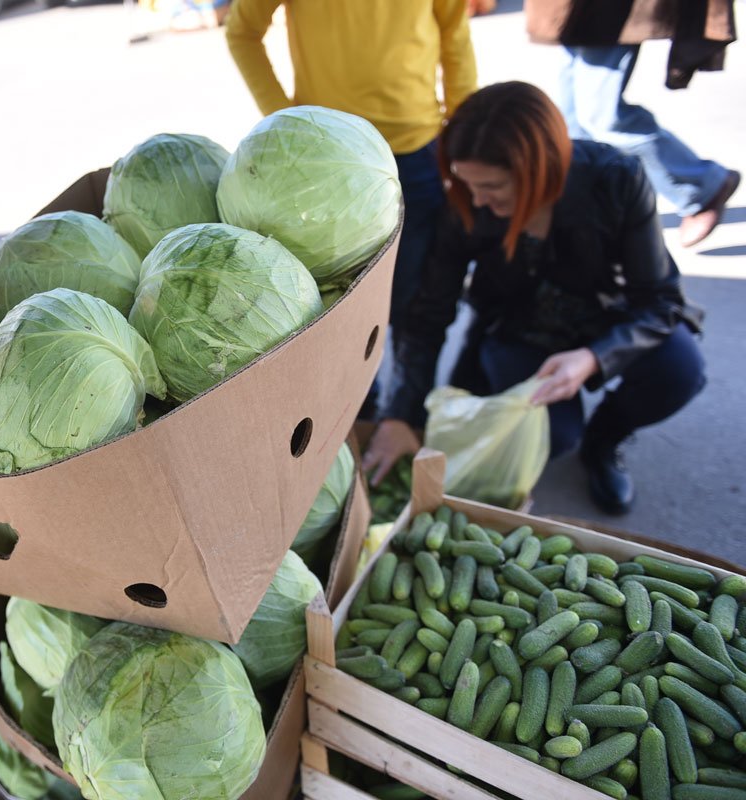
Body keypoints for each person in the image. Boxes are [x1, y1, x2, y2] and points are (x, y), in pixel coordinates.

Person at [362, 82, 706, 515]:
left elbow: (661, 299)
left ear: (539, 169)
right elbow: (428, 314)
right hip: (519, 329)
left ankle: (604, 443)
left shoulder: (615, 180)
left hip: (606, 319)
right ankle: (572, 435)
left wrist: (594, 357)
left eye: (493, 186)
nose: (477, 200)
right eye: (467, 185)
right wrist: (401, 414)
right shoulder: (467, 204)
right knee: (555, 435)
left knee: (681, 370)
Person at [224, 0, 478, 414]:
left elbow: (454, 32)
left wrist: (463, 132)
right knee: (340, 307)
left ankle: (404, 417)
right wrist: (285, 118)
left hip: (417, 151)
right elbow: (242, 32)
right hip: (322, 169)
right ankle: (357, 414)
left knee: (415, 299)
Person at [526, 0, 739, 248]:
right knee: (571, 123)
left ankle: (700, 185)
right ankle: (589, 215)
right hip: (576, 12)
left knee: (603, 118)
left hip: (608, 12)